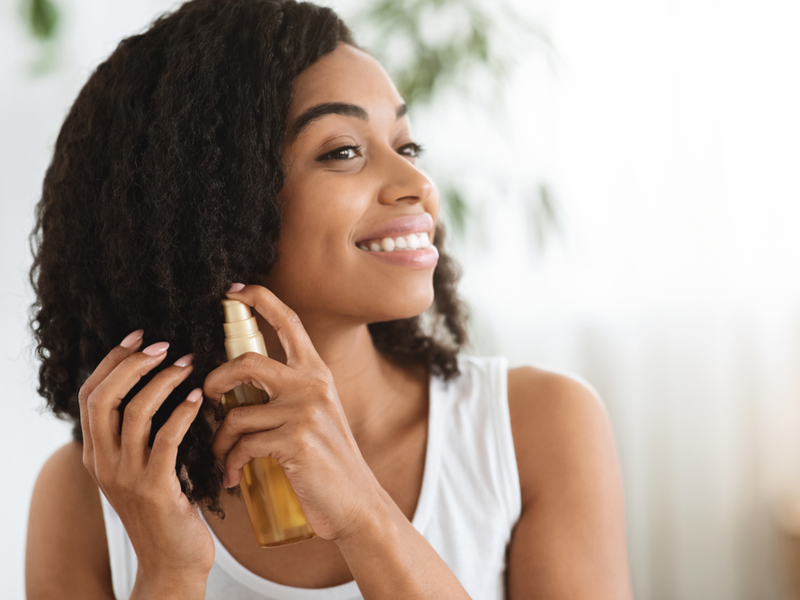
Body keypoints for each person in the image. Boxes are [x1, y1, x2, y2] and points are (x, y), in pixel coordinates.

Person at [25, 1, 632, 598]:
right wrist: (170, 574)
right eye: (343, 151)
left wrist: (364, 515)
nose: (417, 184)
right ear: (208, 209)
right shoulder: (89, 497)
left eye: (406, 146)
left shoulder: (536, 426)